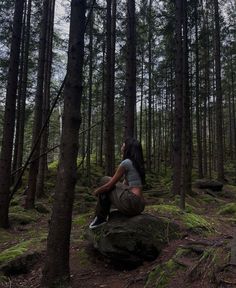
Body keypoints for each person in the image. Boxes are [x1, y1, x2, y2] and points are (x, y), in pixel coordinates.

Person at [89, 137, 146, 229]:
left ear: (128, 147)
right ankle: (100, 217)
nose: (122, 146)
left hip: (131, 203)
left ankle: (100, 218)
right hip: (140, 205)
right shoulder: (138, 164)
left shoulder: (126, 163)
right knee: (108, 187)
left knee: (105, 180)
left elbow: (108, 186)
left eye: (124, 144)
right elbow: (124, 185)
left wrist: (96, 192)